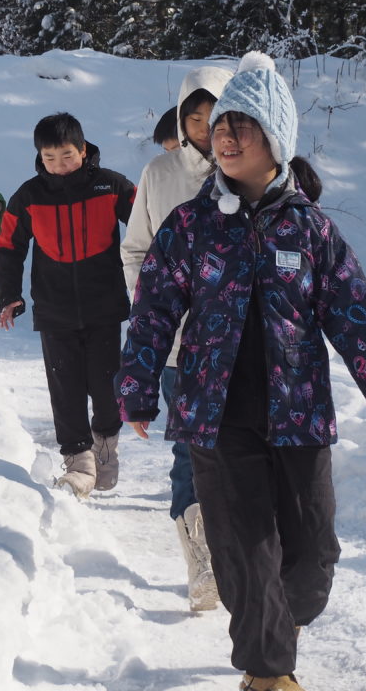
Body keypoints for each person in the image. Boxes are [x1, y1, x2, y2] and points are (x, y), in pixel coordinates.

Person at [116, 51, 366, 691]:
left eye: (243, 128)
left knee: (312, 558)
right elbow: (152, 312)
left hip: (299, 416)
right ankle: (267, 672)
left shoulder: (311, 231)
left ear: (276, 139)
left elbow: (359, 323)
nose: (226, 139)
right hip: (216, 416)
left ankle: (276, 627)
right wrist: (138, 388)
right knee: (248, 548)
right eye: (221, 128)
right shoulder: (191, 226)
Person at [121, 65, 233, 612]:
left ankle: (238, 551)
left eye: (217, 116)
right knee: (192, 449)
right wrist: (156, 312)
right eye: (196, 118)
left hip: (241, 344)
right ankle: (202, 560)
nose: (207, 129)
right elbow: (136, 250)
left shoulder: (249, 170)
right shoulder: (159, 173)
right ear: (182, 120)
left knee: (236, 450)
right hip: (178, 345)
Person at [0, 112, 136, 497]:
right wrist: (9, 294)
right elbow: (9, 245)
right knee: (65, 386)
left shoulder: (111, 186)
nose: (59, 165)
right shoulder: (29, 196)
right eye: (50, 158)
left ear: (83, 149)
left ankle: (105, 445)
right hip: (54, 308)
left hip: (103, 305)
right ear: (39, 156)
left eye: (67, 156)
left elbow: (148, 220)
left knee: (106, 384)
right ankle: (78, 460)